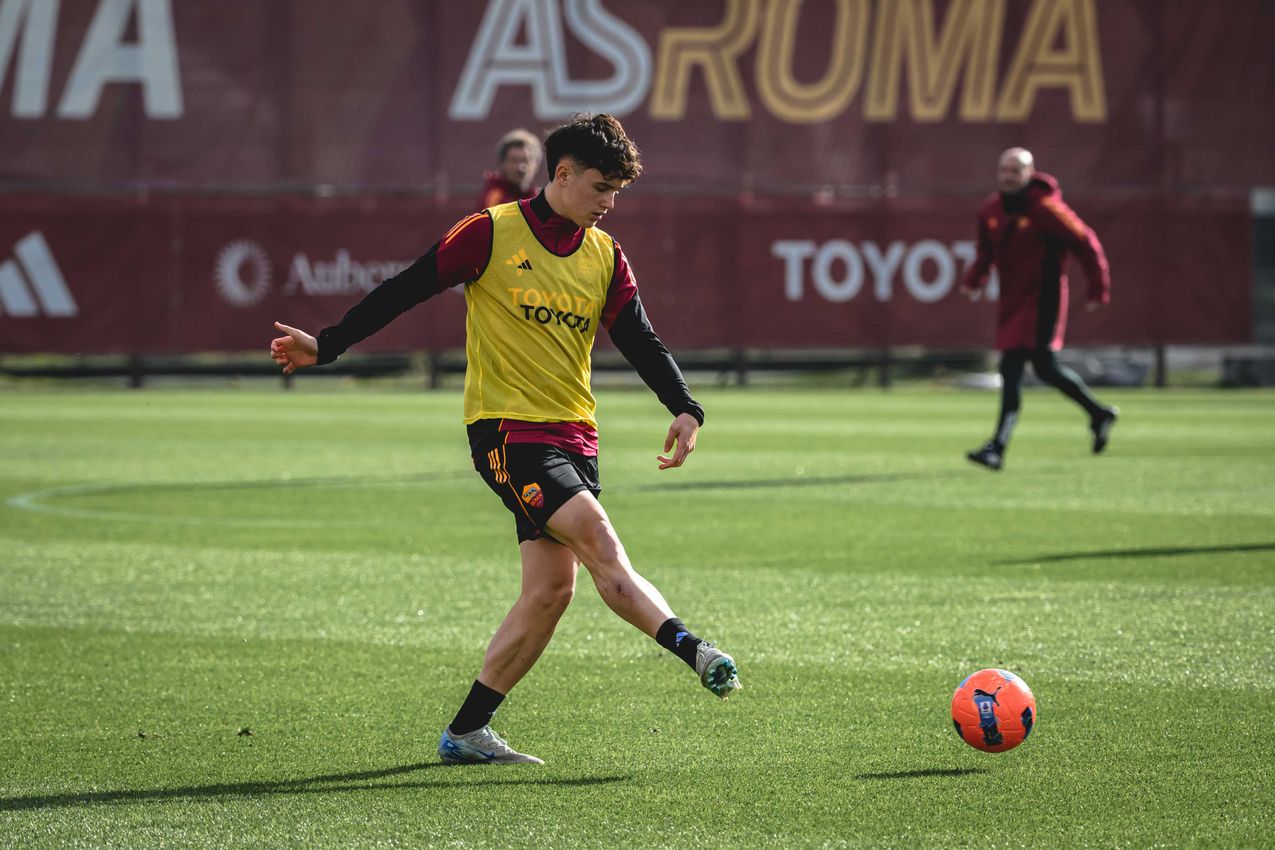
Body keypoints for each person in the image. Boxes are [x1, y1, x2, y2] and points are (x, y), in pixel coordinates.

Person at [270, 113, 741, 766]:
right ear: (564, 174)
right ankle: (695, 650)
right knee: (599, 539)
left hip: (575, 434)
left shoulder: (605, 256)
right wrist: (327, 346)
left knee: (551, 590)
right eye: (601, 188)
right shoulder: (490, 233)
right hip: (507, 433)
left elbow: (638, 336)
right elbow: (405, 288)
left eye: (617, 194)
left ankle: (466, 733)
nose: (609, 204)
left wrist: (684, 406)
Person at [959, 147, 1118, 471]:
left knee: (1012, 366)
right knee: (1046, 369)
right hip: (1012, 301)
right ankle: (1099, 413)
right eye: (1004, 170)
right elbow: (986, 251)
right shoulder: (992, 209)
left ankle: (997, 447)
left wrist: (1098, 288)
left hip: (1043, 300)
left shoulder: (1047, 209)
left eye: (1015, 171)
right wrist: (974, 279)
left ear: (1029, 174)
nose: (1008, 177)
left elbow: (1085, 242)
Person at [477, 128, 542, 209]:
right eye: (514, 161)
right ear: (502, 163)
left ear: (536, 165)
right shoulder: (494, 199)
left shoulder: (539, 199)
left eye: (526, 160)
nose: (520, 167)